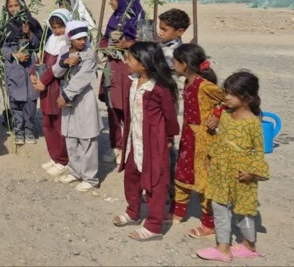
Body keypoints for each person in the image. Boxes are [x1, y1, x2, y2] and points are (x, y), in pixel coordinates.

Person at [197, 71, 269, 262]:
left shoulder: (253, 122)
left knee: (243, 210)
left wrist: (252, 173)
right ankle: (223, 248)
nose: (226, 97)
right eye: (226, 92)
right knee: (219, 206)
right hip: (221, 169)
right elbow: (221, 137)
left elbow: (259, 151)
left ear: (247, 97)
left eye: (232, 94)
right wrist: (213, 124)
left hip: (242, 174)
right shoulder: (226, 115)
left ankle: (249, 245)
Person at [113, 42, 180, 241]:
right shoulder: (132, 81)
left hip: (154, 144)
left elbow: (170, 118)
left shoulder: (159, 89)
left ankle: (153, 225)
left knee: (155, 184)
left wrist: (168, 139)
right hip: (134, 140)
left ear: (144, 63)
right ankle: (133, 212)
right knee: (132, 178)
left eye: (130, 59)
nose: (127, 61)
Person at [169, 44, 225, 238]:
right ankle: (177, 214)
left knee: (204, 180)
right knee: (183, 174)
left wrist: (216, 115)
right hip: (188, 135)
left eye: (175, 61)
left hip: (203, 139)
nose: (173, 64)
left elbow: (228, 99)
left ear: (184, 65)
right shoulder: (186, 82)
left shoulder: (204, 85)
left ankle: (209, 224)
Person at [51, 20, 101, 192]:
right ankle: (75, 171)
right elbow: (56, 71)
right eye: (78, 38)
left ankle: (90, 177)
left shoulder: (89, 54)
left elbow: (83, 78)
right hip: (67, 100)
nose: (82, 41)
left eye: (84, 38)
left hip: (82, 99)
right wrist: (65, 62)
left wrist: (65, 96)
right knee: (71, 137)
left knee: (87, 138)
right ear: (70, 39)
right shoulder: (64, 51)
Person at [99, 0, 145, 164]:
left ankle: (129, 149)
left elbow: (147, 45)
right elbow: (105, 38)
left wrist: (129, 45)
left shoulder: (139, 20)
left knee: (129, 109)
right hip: (112, 68)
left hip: (129, 70)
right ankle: (116, 146)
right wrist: (105, 47)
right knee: (113, 108)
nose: (110, 3)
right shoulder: (115, 18)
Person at [31, 8, 72, 177]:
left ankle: (63, 160)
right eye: (54, 27)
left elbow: (59, 68)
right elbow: (42, 59)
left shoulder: (68, 44)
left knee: (59, 124)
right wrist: (33, 74)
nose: (57, 31)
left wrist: (43, 81)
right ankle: (54, 156)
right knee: (47, 123)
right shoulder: (51, 40)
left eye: (60, 27)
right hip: (45, 88)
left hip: (57, 88)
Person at [1, 0, 42, 145]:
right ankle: (18, 130)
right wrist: (15, 54)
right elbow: (1, 47)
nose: (13, 9)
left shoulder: (32, 22)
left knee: (31, 99)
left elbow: (39, 43)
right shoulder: (5, 26)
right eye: (10, 6)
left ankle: (29, 129)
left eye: (16, 5)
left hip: (30, 65)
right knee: (15, 99)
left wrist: (29, 32)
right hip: (13, 66)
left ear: (23, 6)